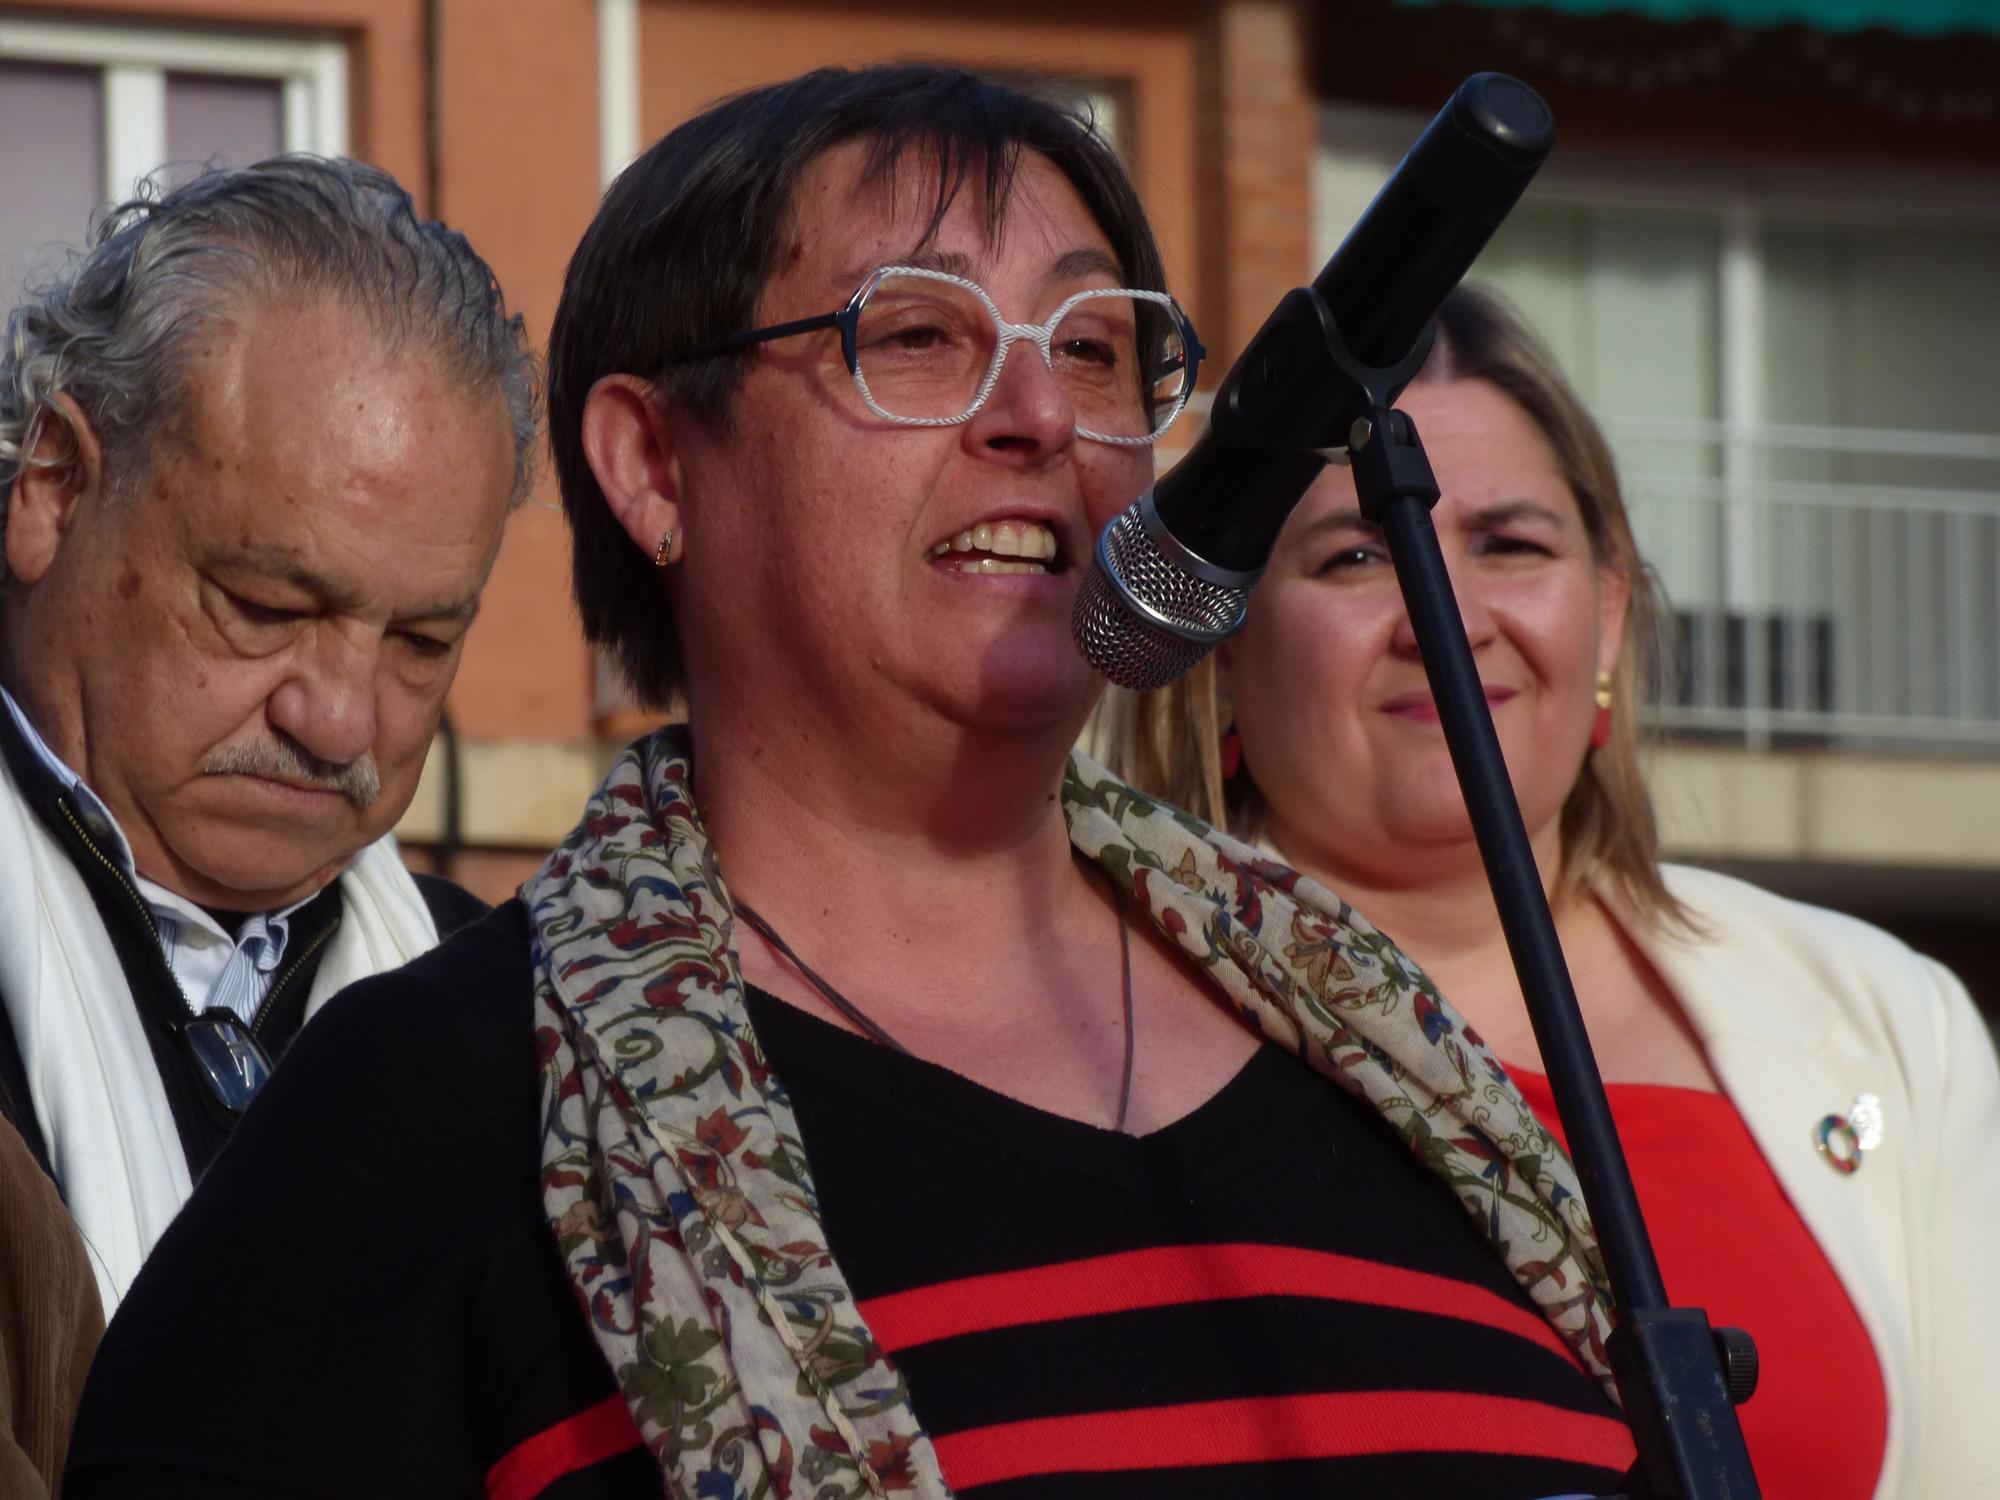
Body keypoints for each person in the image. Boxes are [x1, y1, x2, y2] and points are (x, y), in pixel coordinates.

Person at [71, 69, 1643, 1499]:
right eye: (916, 337)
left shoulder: (1405, 1073)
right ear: (656, 467)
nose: (1037, 419)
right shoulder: (424, 1117)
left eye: (1093, 348)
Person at [1104, 282, 2000, 1500]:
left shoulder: (1887, 1019)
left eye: (1510, 545)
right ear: (1222, 655)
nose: (1446, 614)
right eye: (1358, 553)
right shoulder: (1085, 1022)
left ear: (1607, 616)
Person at [0, 155, 535, 1316]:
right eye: (267, 609)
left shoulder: (523, 1014)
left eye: (422, 643)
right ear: (51, 486)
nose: (340, 719)